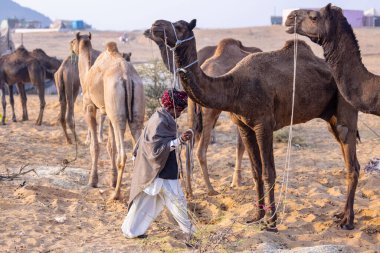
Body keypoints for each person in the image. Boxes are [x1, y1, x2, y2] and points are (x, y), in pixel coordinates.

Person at [121, 88, 195, 241]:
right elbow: (155, 150)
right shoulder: (160, 121)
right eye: (179, 109)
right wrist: (180, 141)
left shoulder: (160, 117)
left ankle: (130, 230)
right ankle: (190, 233)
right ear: (171, 107)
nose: (180, 113)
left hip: (156, 169)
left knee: (145, 201)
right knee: (178, 202)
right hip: (160, 170)